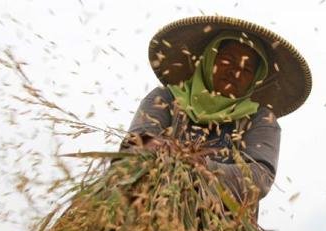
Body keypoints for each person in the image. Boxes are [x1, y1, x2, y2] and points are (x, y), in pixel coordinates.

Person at [119, 16, 312, 220]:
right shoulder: (165, 99)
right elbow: (134, 146)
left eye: (247, 70)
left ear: (254, 79)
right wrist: (161, 150)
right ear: (209, 60)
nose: (235, 72)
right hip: (151, 218)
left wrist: (202, 167)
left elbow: (258, 178)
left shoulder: (260, 120)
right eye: (228, 59)